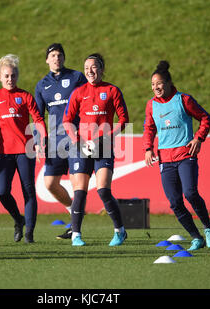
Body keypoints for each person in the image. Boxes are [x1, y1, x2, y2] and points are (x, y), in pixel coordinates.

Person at [142, 60, 210, 251]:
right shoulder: (151, 105)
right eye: (152, 85)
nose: (155, 87)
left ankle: (208, 228)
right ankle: (196, 237)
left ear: (168, 83)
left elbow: (205, 118)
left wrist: (199, 138)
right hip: (165, 160)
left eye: (158, 83)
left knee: (190, 193)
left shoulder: (184, 100)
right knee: (175, 202)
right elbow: (149, 128)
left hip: (186, 155)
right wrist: (148, 148)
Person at [63, 53, 129, 246]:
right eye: (86, 68)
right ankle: (76, 235)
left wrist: (105, 138)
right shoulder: (78, 92)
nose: (90, 71)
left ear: (101, 69)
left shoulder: (112, 90)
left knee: (103, 190)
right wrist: (77, 140)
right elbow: (67, 120)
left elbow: (123, 119)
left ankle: (120, 231)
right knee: (80, 192)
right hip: (82, 147)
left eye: (93, 67)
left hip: (104, 147)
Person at [0, 54, 47, 243]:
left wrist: (41, 141)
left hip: (25, 151)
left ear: (17, 76)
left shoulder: (25, 96)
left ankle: (29, 233)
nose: (10, 79)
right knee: (2, 192)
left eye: (13, 76)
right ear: (0, 77)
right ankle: (18, 219)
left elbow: (38, 120)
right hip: (4, 154)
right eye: (6, 76)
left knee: (28, 192)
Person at [34, 43, 87, 240]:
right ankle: (74, 212)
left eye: (60, 55)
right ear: (47, 60)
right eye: (53, 55)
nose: (57, 58)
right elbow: (38, 116)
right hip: (55, 140)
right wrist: (39, 141)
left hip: (76, 137)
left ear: (64, 58)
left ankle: (76, 230)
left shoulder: (76, 77)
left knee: (76, 182)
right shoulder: (41, 85)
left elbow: (87, 101)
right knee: (49, 183)